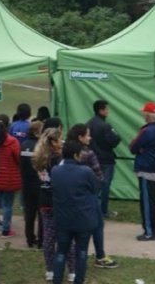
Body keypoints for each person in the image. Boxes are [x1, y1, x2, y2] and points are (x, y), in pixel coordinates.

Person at [67, 124, 117, 269]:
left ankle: (72, 257)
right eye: (88, 135)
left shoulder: (65, 151)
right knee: (97, 225)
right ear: (80, 138)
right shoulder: (88, 154)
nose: (90, 138)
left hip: (70, 196)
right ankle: (100, 256)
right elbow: (99, 177)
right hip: (88, 196)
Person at [51, 140, 100, 284]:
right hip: (83, 218)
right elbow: (96, 188)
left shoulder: (55, 171)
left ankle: (57, 280)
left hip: (63, 218)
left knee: (61, 252)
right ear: (76, 155)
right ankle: (79, 281)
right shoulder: (85, 171)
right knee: (82, 253)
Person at [129, 101, 155, 241]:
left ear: (147, 115)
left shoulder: (145, 130)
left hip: (146, 168)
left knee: (146, 201)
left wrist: (140, 149)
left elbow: (132, 147)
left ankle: (150, 232)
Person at [32, 127, 63, 282]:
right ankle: (67, 268)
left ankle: (50, 269)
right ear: (53, 142)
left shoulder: (39, 157)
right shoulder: (57, 159)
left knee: (48, 237)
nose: (62, 142)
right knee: (64, 235)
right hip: (58, 200)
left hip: (44, 200)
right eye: (59, 139)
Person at [87, 100, 121, 219]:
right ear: (101, 110)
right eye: (106, 109)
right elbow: (115, 140)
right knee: (105, 186)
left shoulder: (88, 124)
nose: (108, 111)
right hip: (106, 160)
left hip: (92, 160)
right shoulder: (105, 126)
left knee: (94, 186)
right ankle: (103, 211)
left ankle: (93, 210)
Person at [0, 114, 21, 238]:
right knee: (7, 205)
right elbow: (18, 158)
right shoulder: (12, 141)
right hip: (10, 178)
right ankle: (6, 230)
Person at [20, 121, 43, 248]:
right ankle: (41, 240)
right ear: (37, 132)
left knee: (29, 213)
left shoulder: (23, 145)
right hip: (38, 183)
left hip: (26, 183)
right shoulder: (40, 146)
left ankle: (29, 239)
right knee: (41, 213)